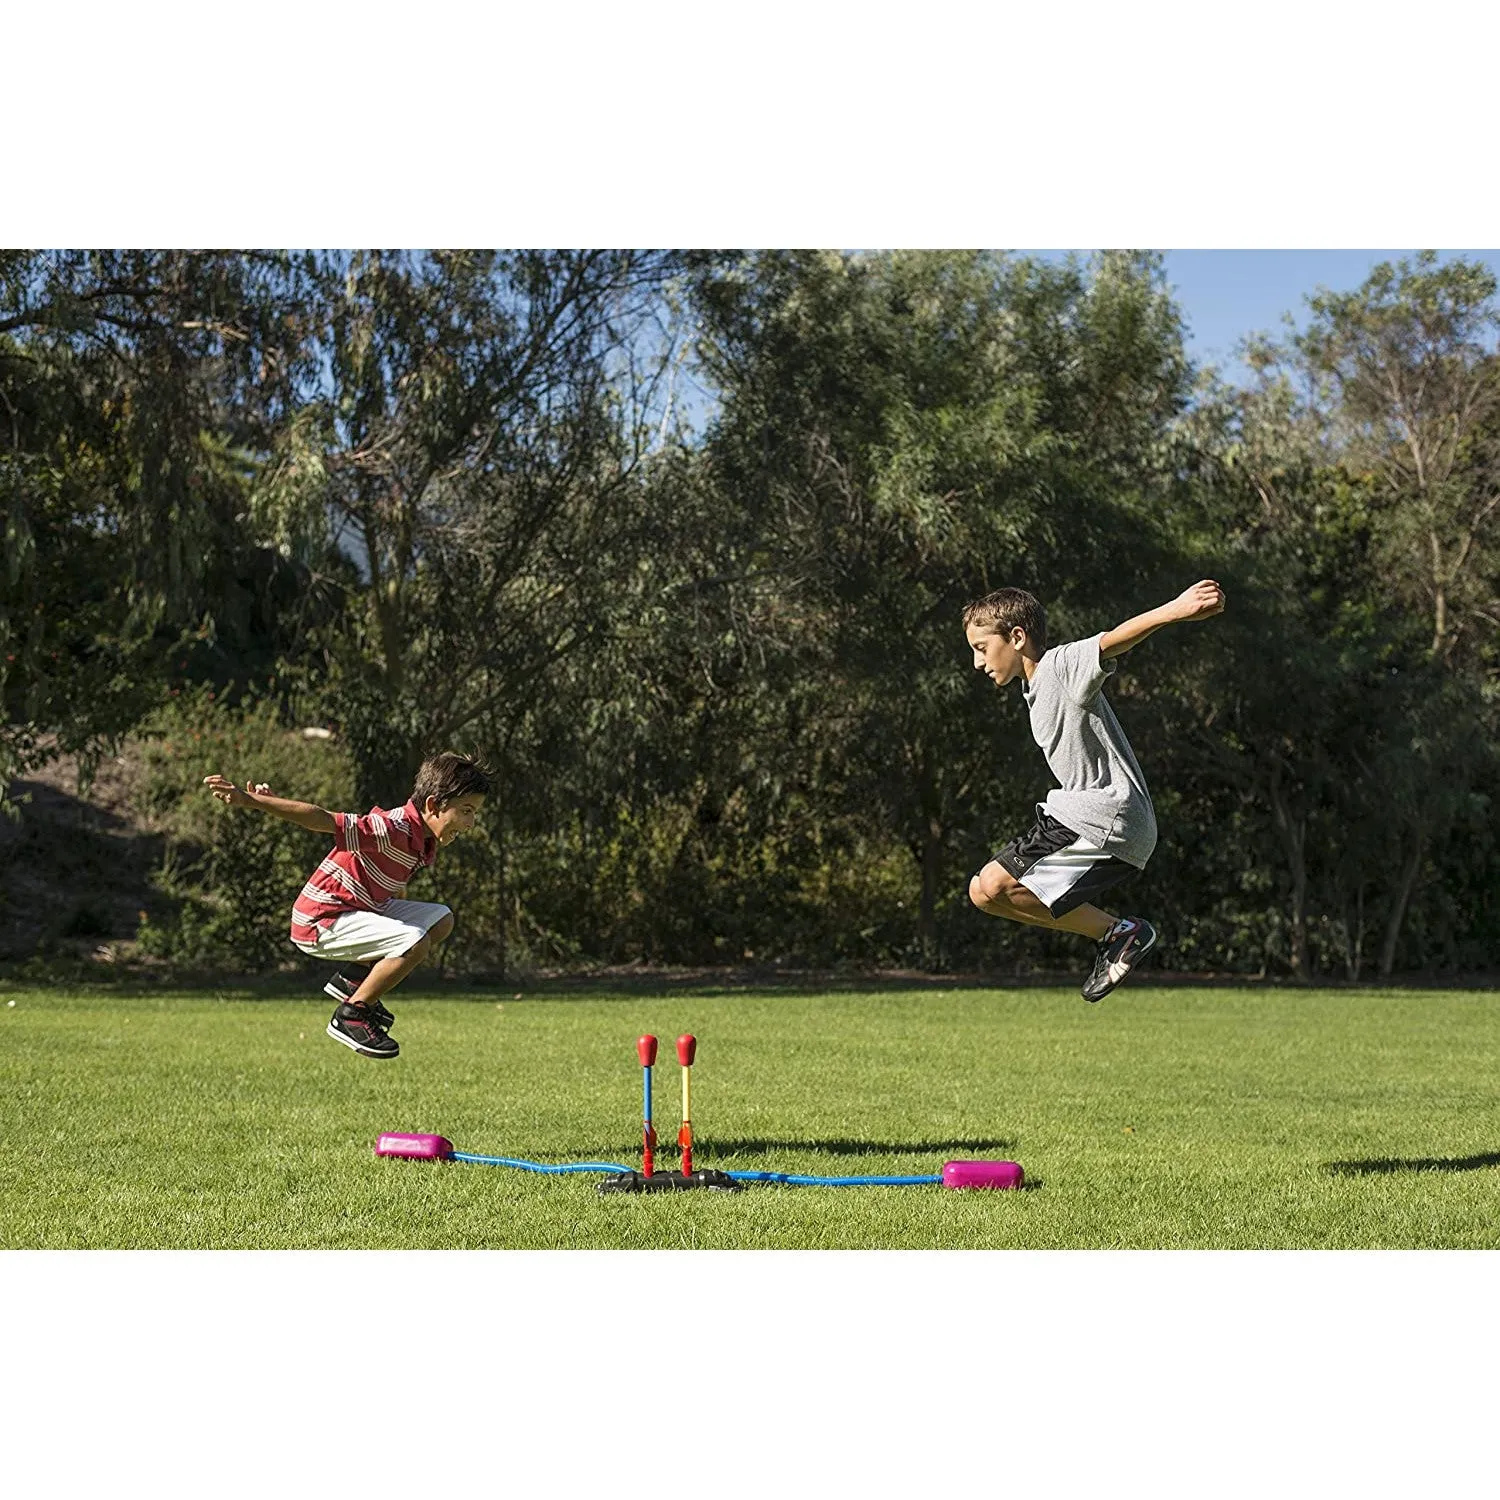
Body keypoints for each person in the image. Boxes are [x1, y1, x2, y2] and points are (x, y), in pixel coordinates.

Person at [964, 580, 1226, 1001]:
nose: (977, 662)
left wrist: (1174, 609)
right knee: (984, 893)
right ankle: (1118, 934)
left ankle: (1121, 932)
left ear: (1016, 637)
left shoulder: (1058, 667)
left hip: (1107, 817)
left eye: (981, 647)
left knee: (993, 885)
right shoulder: (1034, 690)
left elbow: (1112, 641)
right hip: (1083, 817)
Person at [202, 751, 493, 1058]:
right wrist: (254, 801)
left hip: (356, 911)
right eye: (466, 811)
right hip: (320, 920)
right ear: (434, 805)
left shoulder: (422, 839)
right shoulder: (390, 828)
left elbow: (388, 882)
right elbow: (322, 819)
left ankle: (354, 978)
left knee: (441, 920)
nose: (471, 823)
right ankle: (353, 1013)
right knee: (415, 941)